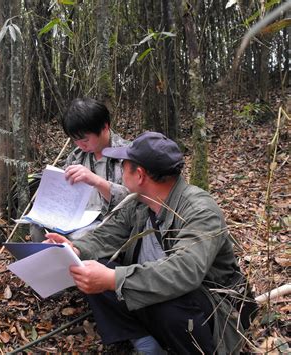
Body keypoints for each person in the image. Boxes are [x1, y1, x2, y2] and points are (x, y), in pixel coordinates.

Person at [46, 132, 257, 354]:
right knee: (90, 267)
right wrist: (76, 249)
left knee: (168, 302)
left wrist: (114, 279)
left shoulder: (200, 210)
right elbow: (108, 234)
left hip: (212, 305)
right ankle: (145, 341)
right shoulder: (138, 201)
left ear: (139, 175)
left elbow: (184, 271)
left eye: (123, 165)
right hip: (165, 292)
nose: (119, 170)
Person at [30, 98, 129, 241]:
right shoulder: (77, 156)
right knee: (38, 228)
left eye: (85, 140)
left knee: (79, 237)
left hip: (111, 224)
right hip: (76, 219)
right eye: (75, 140)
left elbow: (133, 202)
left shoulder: (126, 155)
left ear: (105, 127)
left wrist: (97, 181)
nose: (80, 145)